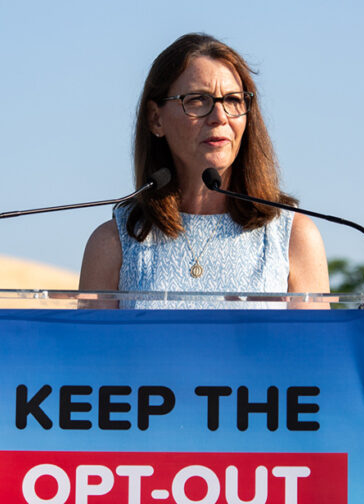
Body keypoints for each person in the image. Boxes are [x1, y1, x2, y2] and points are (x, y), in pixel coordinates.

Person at [79, 33, 329, 308]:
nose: (220, 117)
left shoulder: (293, 236)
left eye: (233, 100)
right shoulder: (113, 242)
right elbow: (93, 351)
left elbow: (318, 350)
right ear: (156, 119)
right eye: (197, 100)